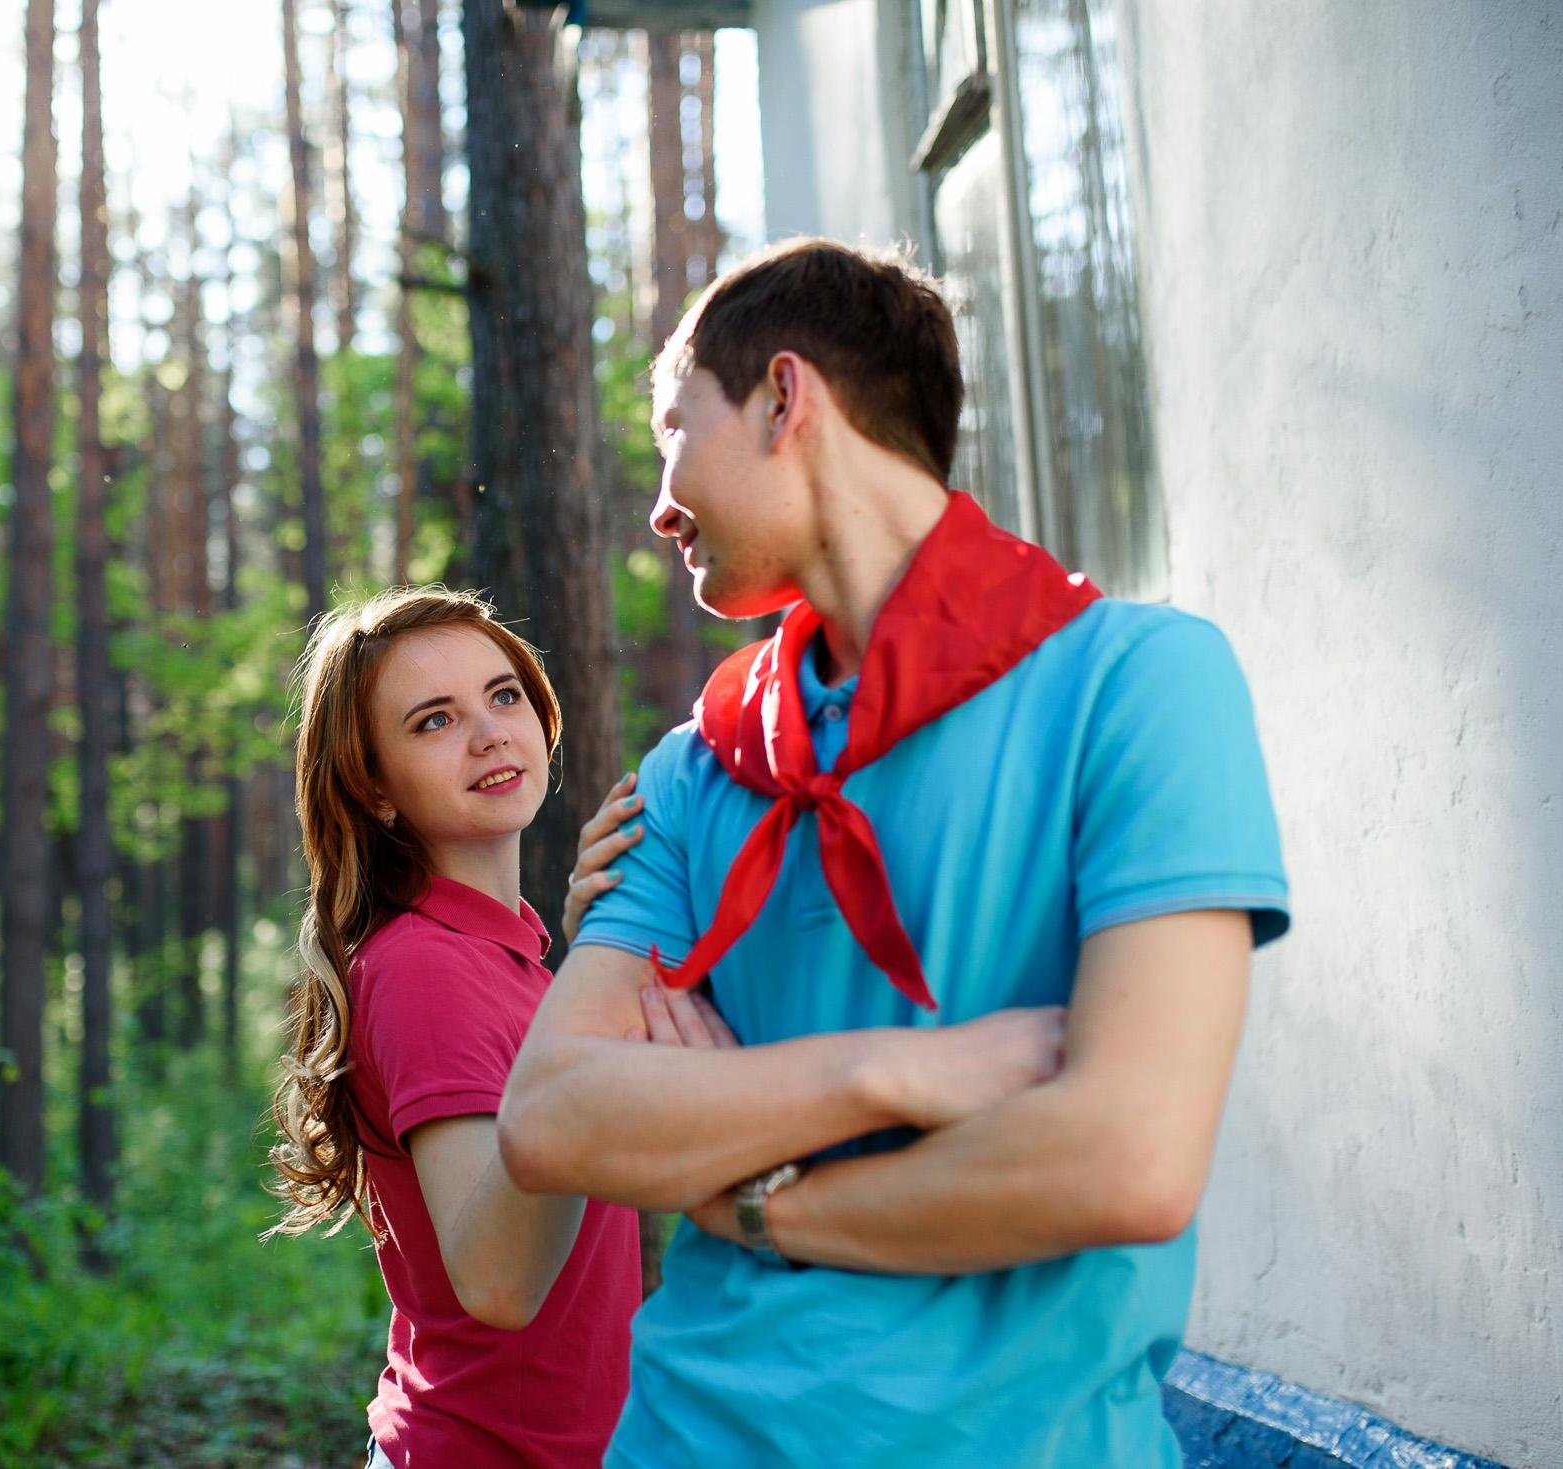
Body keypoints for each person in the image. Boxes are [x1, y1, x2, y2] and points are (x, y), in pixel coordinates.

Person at [499, 238, 1292, 1468]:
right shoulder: (695, 764)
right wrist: (889, 1071)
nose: (658, 502)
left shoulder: (1138, 683)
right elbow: (552, 1115)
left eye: (673, 429)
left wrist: (756, 1197)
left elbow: (1124, 1157)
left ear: (782, 397)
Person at [265, 586, 1066, 1469]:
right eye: (432, 721)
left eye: (503, 695)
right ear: (374, 786)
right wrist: (589, 1037)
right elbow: (500, 1281)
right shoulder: (423, 964)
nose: (490, 732)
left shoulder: (512, 954)